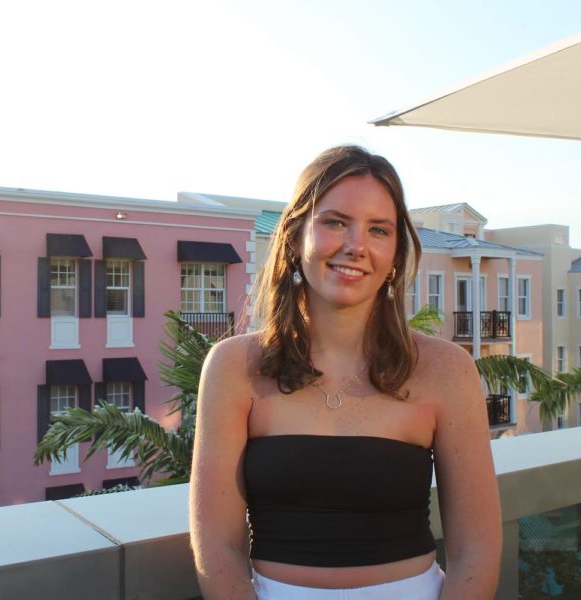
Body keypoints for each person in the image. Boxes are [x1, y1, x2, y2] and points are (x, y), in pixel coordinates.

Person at [189, 145, 501, 599]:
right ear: (295, 237)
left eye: (378, 229)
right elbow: (216, 546)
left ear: (395, 253)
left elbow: (477, 549)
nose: (356, 246)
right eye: (335, 222)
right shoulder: (234, 367)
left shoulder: (447, 371)